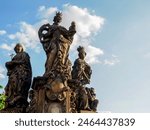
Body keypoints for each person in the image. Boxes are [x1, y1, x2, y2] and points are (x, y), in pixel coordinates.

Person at [38, 12, 76, 81]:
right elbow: (47, 34)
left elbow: (68, 34)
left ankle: (61, 69)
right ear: (55, 19)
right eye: (58, 18)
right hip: (54, 42)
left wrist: (73, 27)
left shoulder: (61, 28)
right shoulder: (52, 27)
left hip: (62, 43)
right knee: (53, 53)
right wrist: (41, 32)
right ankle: (49, 70)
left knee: (63, 57)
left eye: (60, 19)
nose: (59, 19)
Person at [4, 43, 32, 109]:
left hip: (22, 73)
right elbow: (11, 67)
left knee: (19, 87)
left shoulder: (25, 54)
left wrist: (14, 62)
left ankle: (18, 102)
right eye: (16, 48)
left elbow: (23, 61)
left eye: (19, 47)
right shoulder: (14, 57)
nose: (17, 48)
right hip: (14, 73)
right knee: (12, 85)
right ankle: (11, 100)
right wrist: (8, 65)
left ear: (22, 48)